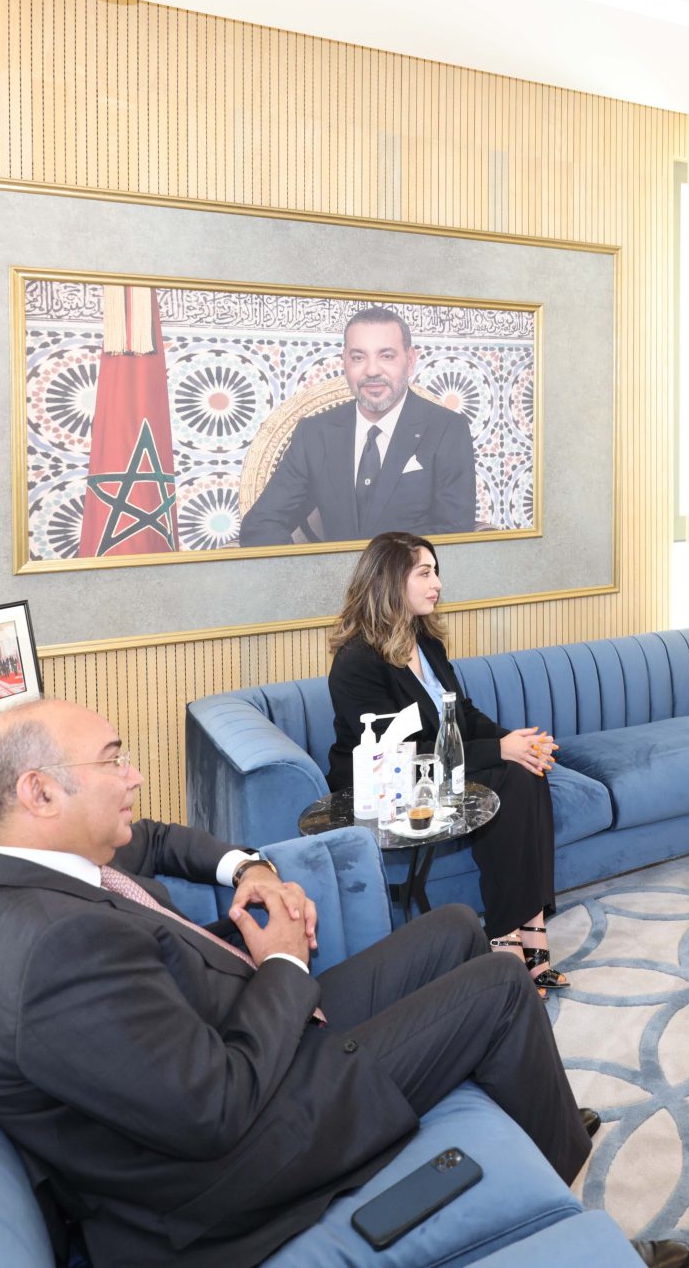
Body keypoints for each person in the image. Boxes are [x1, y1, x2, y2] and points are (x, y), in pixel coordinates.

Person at [0, 699, 689, 1268]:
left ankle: (533, 1101)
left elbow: (152, 840)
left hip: (248, 1037)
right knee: (499, 984)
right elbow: (215, 1109)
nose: (136, 775)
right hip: (244, 1150)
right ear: (40, 792)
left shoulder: (3, 866)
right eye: (114, 760)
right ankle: (572, 1232)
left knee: (457, 924)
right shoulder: (54, 948)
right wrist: (284, 962)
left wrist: (247, 868)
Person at [326, 531, 565, 990]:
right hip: (388, 782)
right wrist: (499, 751)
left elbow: (462, 714)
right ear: (390, 580)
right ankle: (506, 938)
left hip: (439, 769)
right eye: (424, 573)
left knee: (528, 770)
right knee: (511, 776)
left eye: (435, 572)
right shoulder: (356, 661)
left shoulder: (425, 641)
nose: (436, 583)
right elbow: (404, 749)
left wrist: (513, 740)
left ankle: (529, 927)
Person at [239, 305, 478, 546]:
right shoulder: (314, 433)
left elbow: (455, 535)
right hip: (332, 571)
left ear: (410, 360)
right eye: (358, 357)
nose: (372, 370)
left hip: (408, 570)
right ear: (344, 361)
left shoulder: (448, 429)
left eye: (386, 356)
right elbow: (261, 523)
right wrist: (304, 568)